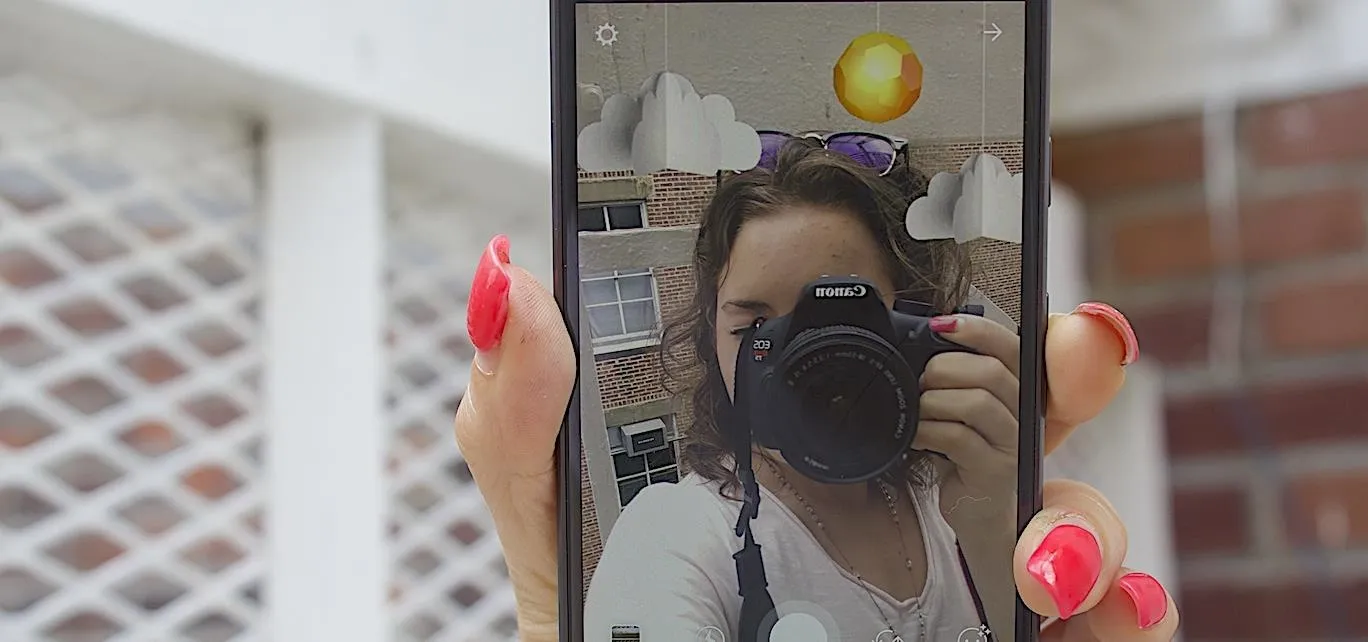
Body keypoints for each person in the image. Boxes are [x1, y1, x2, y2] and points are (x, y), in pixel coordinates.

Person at [456, 142, 1180, 642]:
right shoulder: (676, 535)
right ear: (712, 337)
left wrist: (997, 535)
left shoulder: (957, 504)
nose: (803, 355)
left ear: (919, 326)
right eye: (757, 324)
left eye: (837, 316)